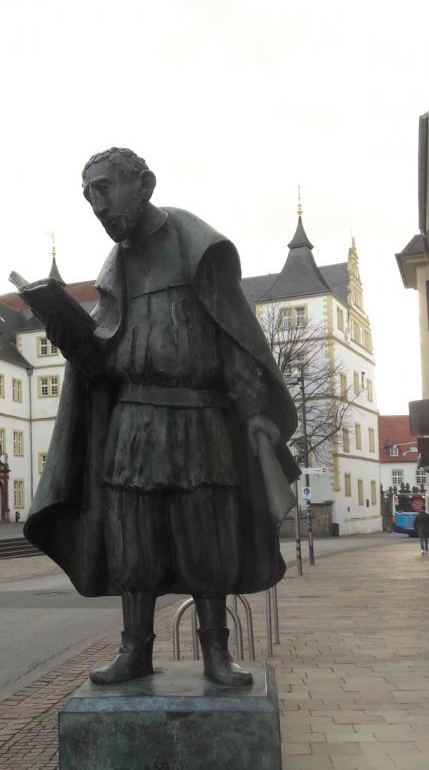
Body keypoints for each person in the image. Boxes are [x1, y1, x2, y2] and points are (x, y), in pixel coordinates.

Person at [24, 148, 299, 688]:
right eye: (88, 197)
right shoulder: (117, 266)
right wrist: (69, 335)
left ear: (143, 184)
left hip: (200, 421)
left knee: (208, 536)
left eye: (104, 189)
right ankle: (135, 650)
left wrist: (255, 414)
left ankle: (216, 651)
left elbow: (234, 337)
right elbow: (105, 360)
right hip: (131, 425)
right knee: (133, 541)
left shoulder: (196, 247)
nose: (96, 206)